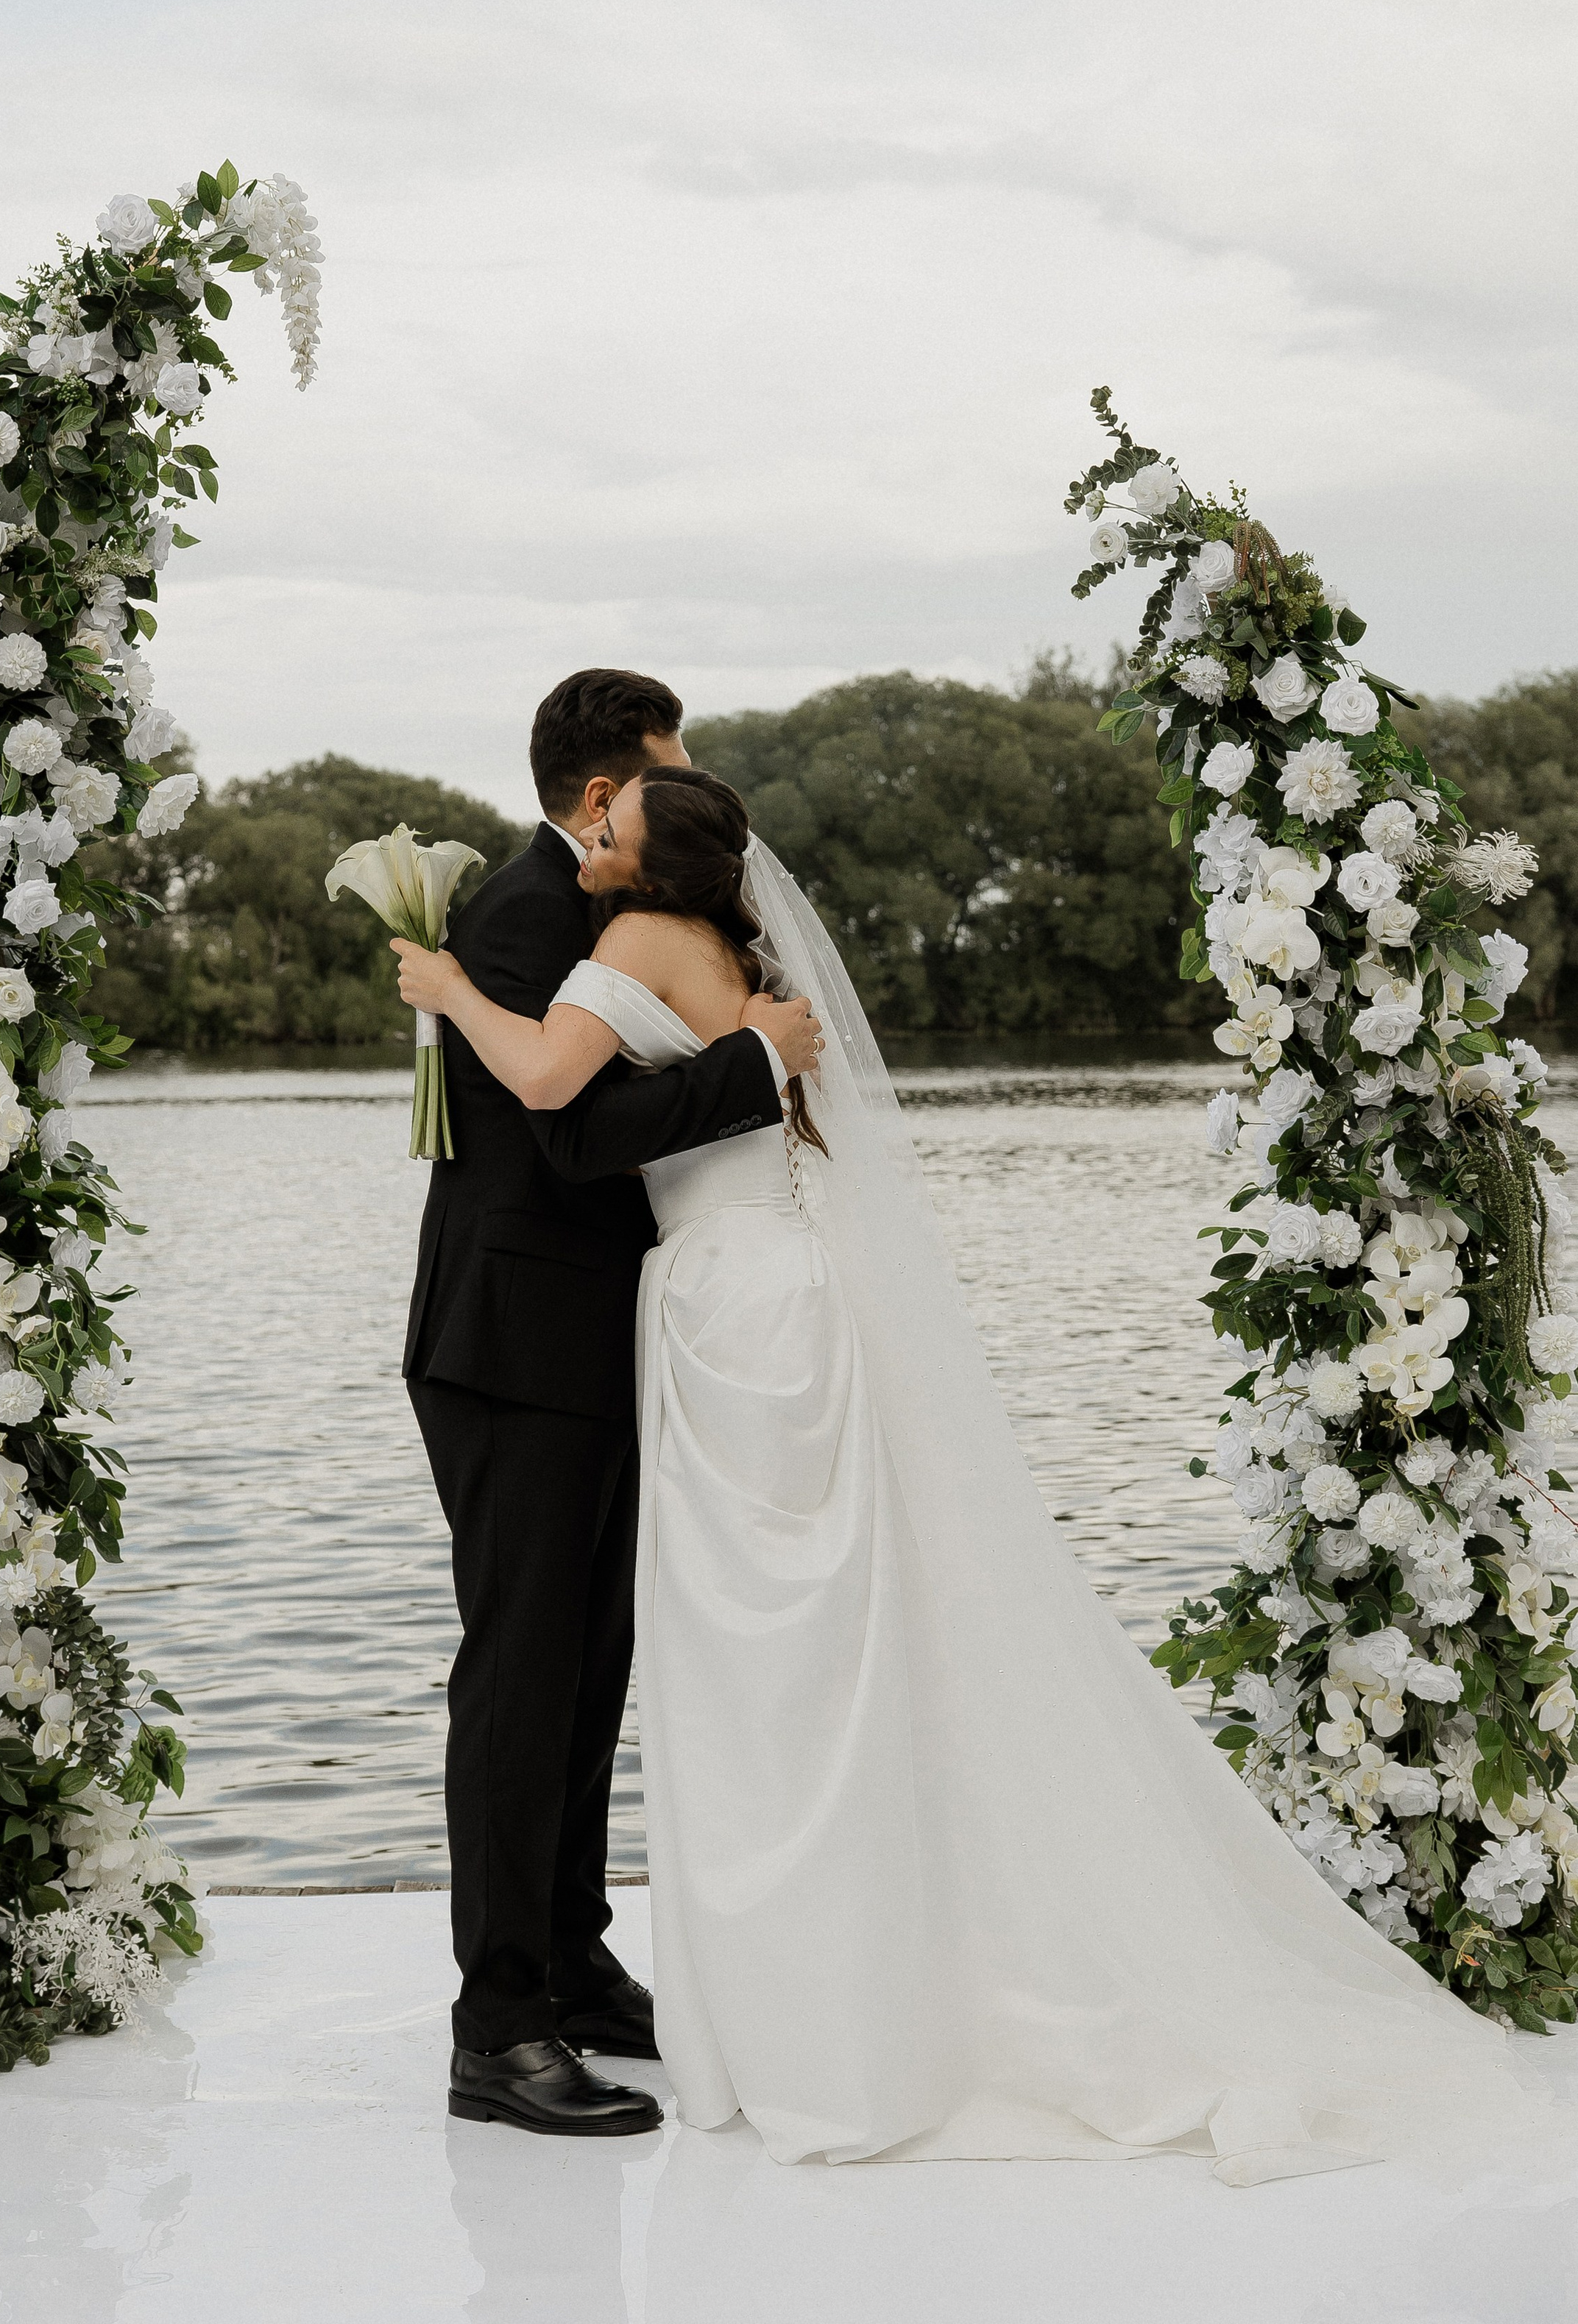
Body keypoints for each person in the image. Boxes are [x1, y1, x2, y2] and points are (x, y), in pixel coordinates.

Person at [397, 764, 1551, 2185]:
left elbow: (549, 1091)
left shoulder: (618, 939)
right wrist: (734, 1056)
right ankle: (591, 1998)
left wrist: (453, 996)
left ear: (650, 861)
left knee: (746, 1653)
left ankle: (687, 1981)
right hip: (673, 1309)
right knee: (726, 1647)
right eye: (615, 804)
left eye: (619, 831)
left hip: (726, 1309)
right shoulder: (616, 929)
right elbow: (592, 1125)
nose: (597, 844)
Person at [402, 671, 821, 2139]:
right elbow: (569, 1138)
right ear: (604, 793)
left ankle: (572, 1961)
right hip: (512, 1345)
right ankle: (496, 2025)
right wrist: (749, 1065)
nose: (687, 780)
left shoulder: (596, 908)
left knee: (589, 1666)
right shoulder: (517, 920)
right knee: (522, 1676)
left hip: (605, 1345)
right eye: (667, 764)